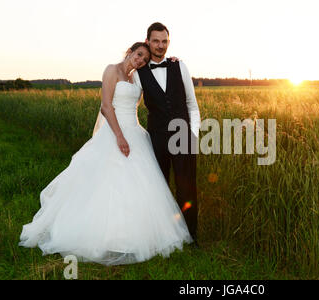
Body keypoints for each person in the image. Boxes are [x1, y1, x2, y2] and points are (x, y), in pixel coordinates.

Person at [18, 42, 193, 266]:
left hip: (136, 134)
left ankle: (135, 234)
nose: (140, 60)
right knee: (108, 183)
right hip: (116, 133)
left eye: (144, 59)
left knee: (139, 186)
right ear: (130, 51)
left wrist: (172, 60)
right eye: (138, 55)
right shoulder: (111, 70)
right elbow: (106, 107)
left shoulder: (136, 77)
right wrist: (119, 136)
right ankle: (104, 235)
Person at [137, 22, 201, 245]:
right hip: (156, 138)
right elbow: (129, 103)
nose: (160, 45)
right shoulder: (139, 73)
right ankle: (163, 237)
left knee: (187, 188)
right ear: (148, 42)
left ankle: (191, 237)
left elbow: (192, 105)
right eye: (156, 41)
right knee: (160, 188)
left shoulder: (179, 66)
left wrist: (193, 134)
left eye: (164, 41)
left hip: (183, 136)